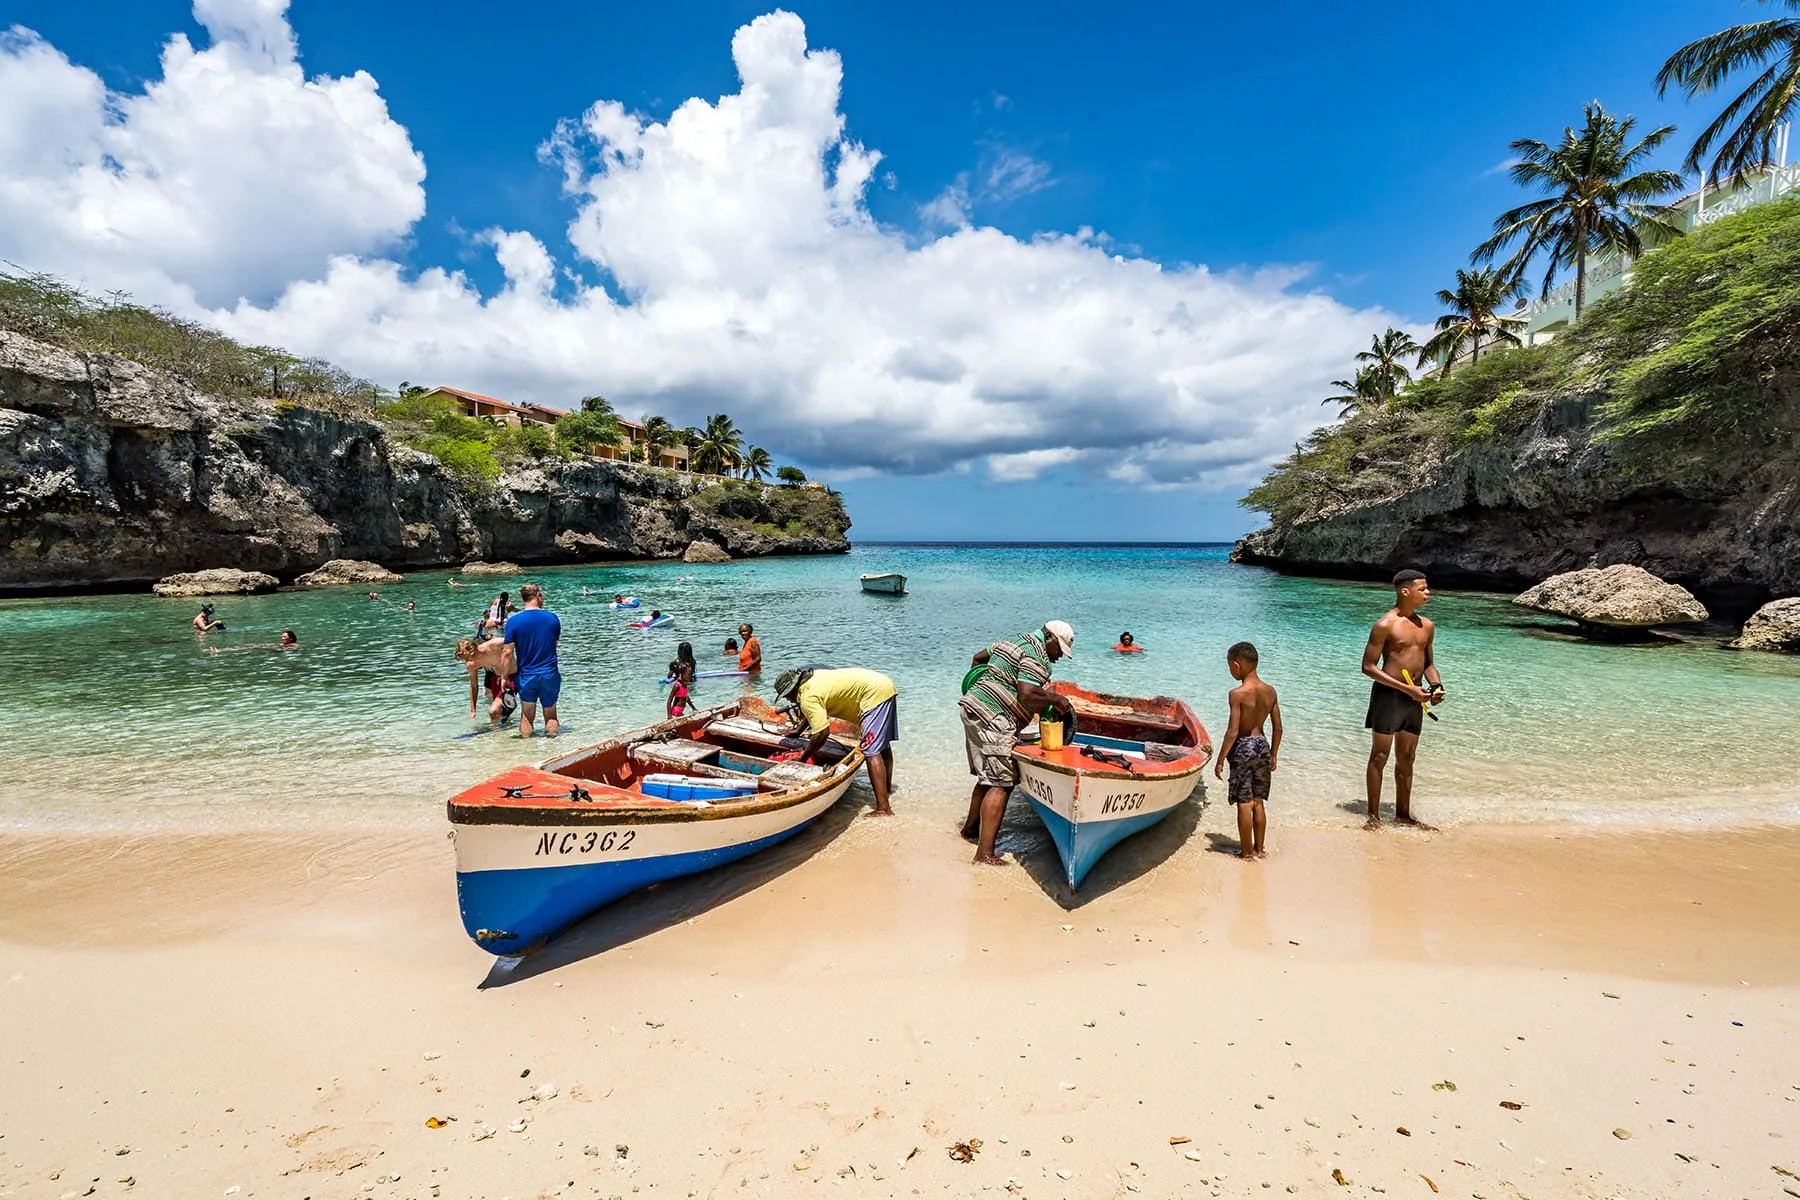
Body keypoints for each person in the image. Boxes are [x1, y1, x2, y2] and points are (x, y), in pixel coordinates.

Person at [958, 621, 1077, 865]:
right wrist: (1057, 699)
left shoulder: (1012, 640)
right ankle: (985, 855)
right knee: (1002, 783)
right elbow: (1027, 693)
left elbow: (978, 659)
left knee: (987, 777)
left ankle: (969, 830)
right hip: (994, 718)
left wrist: (981, 688)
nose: (1058, 658)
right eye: (1059, 650)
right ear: (1050, 638)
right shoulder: (1038, 657)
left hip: (972, 709)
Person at [1362, 569, 1446, 830]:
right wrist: (1406, 689)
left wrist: (1436, 685)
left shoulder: (1427, 626)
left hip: (1415, 697)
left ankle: (1403, 815)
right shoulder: (1385, 625)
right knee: (1379, 756)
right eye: (1423, 589)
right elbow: (1369, 667)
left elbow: (1429, 663)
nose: (1428, 593)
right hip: (1389, 696)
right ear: (1405, 591)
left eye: (1427, 588)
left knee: (1407, 756)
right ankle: (1373, 817)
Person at [773, 667, 899, 816]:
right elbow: (812, 713)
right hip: (882, 686)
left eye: (787, 696)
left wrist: (804, 757)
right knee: (882, 745)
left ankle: (884, 809)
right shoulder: (813, 679)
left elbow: (822, 733)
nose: (789, 700)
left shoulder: (807, 697)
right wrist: (798, 731)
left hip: (872, 695)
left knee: (871, 751)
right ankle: (886, 789)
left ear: (793, 690)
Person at [1214, 641, 1281, 859]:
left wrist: (1220, 759)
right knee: (1258, 800)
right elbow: (1278, 727)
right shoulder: (1270, 691)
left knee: (1244, 802)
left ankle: (1245, 853)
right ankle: (1260, 850)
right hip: (1262, 744)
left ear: (1237, 665)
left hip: (1243, 747)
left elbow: (1233, 731)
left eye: (1229, 667)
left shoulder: (1237, 694)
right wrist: (1274, 753)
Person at [505, 583, 562, 737]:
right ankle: (552, 749)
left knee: (527, 716)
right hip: (549, 673)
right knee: (551, 715)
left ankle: (527, 752)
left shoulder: (513, 621)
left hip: (526, 675)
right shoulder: (552, 618)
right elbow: (554, 645)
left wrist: (505, 676)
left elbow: (507, 653)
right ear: (537, 595)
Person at [455, 636, 517, 725]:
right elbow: (473, 686)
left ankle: (499, 730)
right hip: (496, 679)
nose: (467, 661)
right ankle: (499, 732)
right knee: (498, 712)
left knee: (493, 711)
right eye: (464, 659)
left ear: (472, 649)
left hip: (512, 676)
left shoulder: (493, 645)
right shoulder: (471, 664)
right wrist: (473, 710)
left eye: (467, 657)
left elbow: (515, 640)